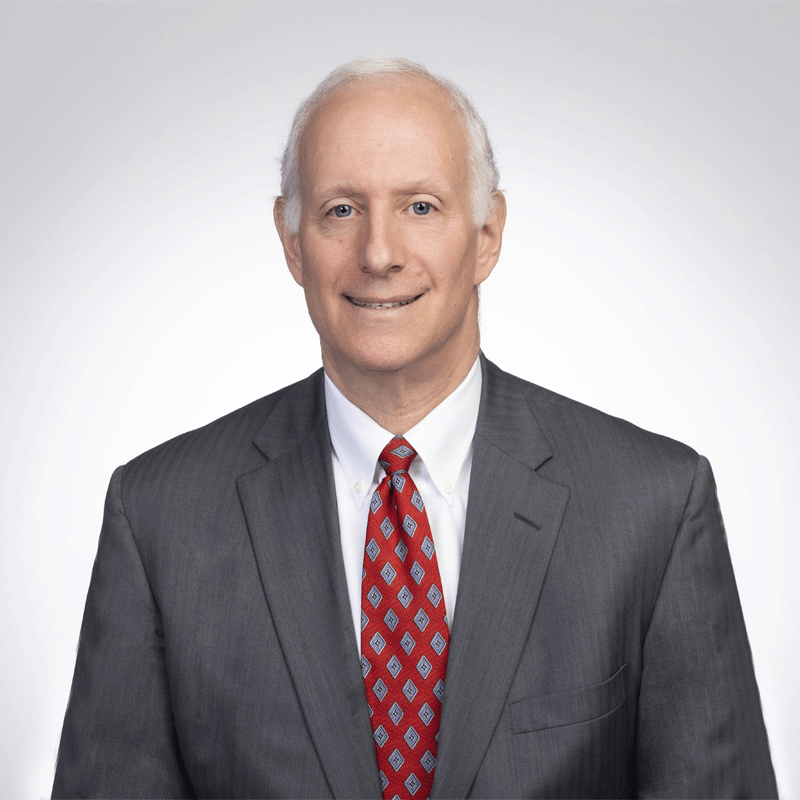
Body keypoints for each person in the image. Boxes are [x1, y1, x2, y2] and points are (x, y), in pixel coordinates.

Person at [52, 57, 777, 799]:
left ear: (487, 233)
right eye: (341, 210)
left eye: (421, 207)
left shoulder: (652, 507)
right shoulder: (160, 517)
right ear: (291, 240)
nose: (379, 254)